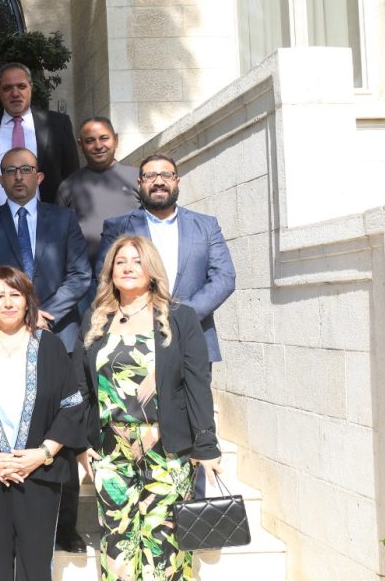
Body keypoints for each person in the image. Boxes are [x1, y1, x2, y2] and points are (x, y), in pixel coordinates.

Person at [0, 147, 91, 553]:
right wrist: (12, 312)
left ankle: (65, 526)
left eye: (26, 169)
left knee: (59, 429)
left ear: (40, 177)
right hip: (1, 339)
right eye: (9, 171)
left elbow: (79, 273)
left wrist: (42, 313)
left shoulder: (63, 218)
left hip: (56, 336)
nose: (18, 177)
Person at [76, 235, 223, 580]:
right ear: (110, 271)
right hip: (111, 450)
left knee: (164, 544)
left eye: (137, 261)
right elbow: (81, 387)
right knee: (117, 545)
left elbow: (197, 385)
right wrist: (81, 443)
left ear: (152, 270)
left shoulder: (179, 318)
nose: (128, 267)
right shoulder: (96, 319)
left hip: (166, 449)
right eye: (121, 261)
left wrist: (206, 444)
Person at [0, 265, 89, 581]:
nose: (8, 302)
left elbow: (71, 408)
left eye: (15, 294)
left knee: (36, 567)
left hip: (39, 475)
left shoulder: (50, 347)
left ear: (28, 301)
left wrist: (43, 454)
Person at [96, 154, 236, 364]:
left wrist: (182, 316)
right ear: (140, 182)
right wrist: (142, 316)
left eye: (166, 175)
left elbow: (224, 278)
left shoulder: (206, 226)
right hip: (134, 337)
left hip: (192, 336)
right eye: (150, 175)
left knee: (195, 398)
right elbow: (104, 278)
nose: (159, 181)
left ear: (176, 181)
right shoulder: (118, 227)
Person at [0, 62, 80, 211]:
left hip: (48, 221)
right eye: (7, 88)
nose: (15, 93)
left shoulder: (58, 124)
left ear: (31, 87)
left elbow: (72, 176)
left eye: (21, 86)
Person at [55, 116, 140, 266]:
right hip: (87, 278)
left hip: (133, 273)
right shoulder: (68, 186)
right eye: (90, 141)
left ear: (116, 140)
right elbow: (58, 237)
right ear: (80, 145)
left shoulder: (138, 178)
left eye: (104, 138)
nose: (98, 145)